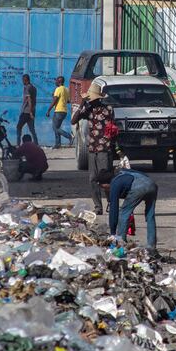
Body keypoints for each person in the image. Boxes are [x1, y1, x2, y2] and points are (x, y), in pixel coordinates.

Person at [72, 81, 116, 214]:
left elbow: (112, 128)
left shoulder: (108, 109)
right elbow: (73, 120)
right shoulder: (88, 109)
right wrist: (82, 104)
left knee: (106, 179)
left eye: (91, 98)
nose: (90, 101)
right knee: (92, 179)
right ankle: (98, 207)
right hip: (92, 149)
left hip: (105, 149)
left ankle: (110, 202)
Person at [97, 168, 158, 250]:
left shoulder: (115, 183)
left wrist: (113, 233)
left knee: (123, 213)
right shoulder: (123, 173)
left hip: (139, 188)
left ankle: (121, 243)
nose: (104, 189)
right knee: (150, 216)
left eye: (102, 186)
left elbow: (113, 210)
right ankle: (151, 246)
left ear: (106, 183)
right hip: (152, 184)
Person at [45, 75, 73, 148]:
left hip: (58, 111)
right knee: (57, 127)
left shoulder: (58, 89)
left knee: (55, 128)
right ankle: (58, 144)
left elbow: (54, 100)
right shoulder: (66, 89)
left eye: (56, 80)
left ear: (59, 81)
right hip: (64, 111)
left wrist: (48, 110)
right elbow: (68, 101)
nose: (55, 82)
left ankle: (69, 136)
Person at [16, 74, 38, 144]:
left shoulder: (27, 88)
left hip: (26, 112)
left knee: (18, 127)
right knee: (32, 129)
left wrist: (30, 112)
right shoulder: (34, 88)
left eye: (23, 80)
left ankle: (18, 144)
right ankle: (36, 144)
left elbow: (29, 100)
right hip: (32, 111)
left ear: (25, 80)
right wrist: (32, 112)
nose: (22, 82)